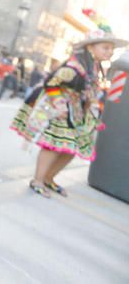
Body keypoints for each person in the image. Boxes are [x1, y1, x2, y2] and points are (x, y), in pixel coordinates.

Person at [10, 22, 126, 197]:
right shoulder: (75, 66)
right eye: (106, 48)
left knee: (71, 150)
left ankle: (49, 178)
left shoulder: (94, 67)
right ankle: (38, 180)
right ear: (91, 47)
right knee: (53, 147)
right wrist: (60, 105)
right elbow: (51, 83)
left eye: (111, 49)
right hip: (61, 111)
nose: (110, 52)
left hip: (76, 112)